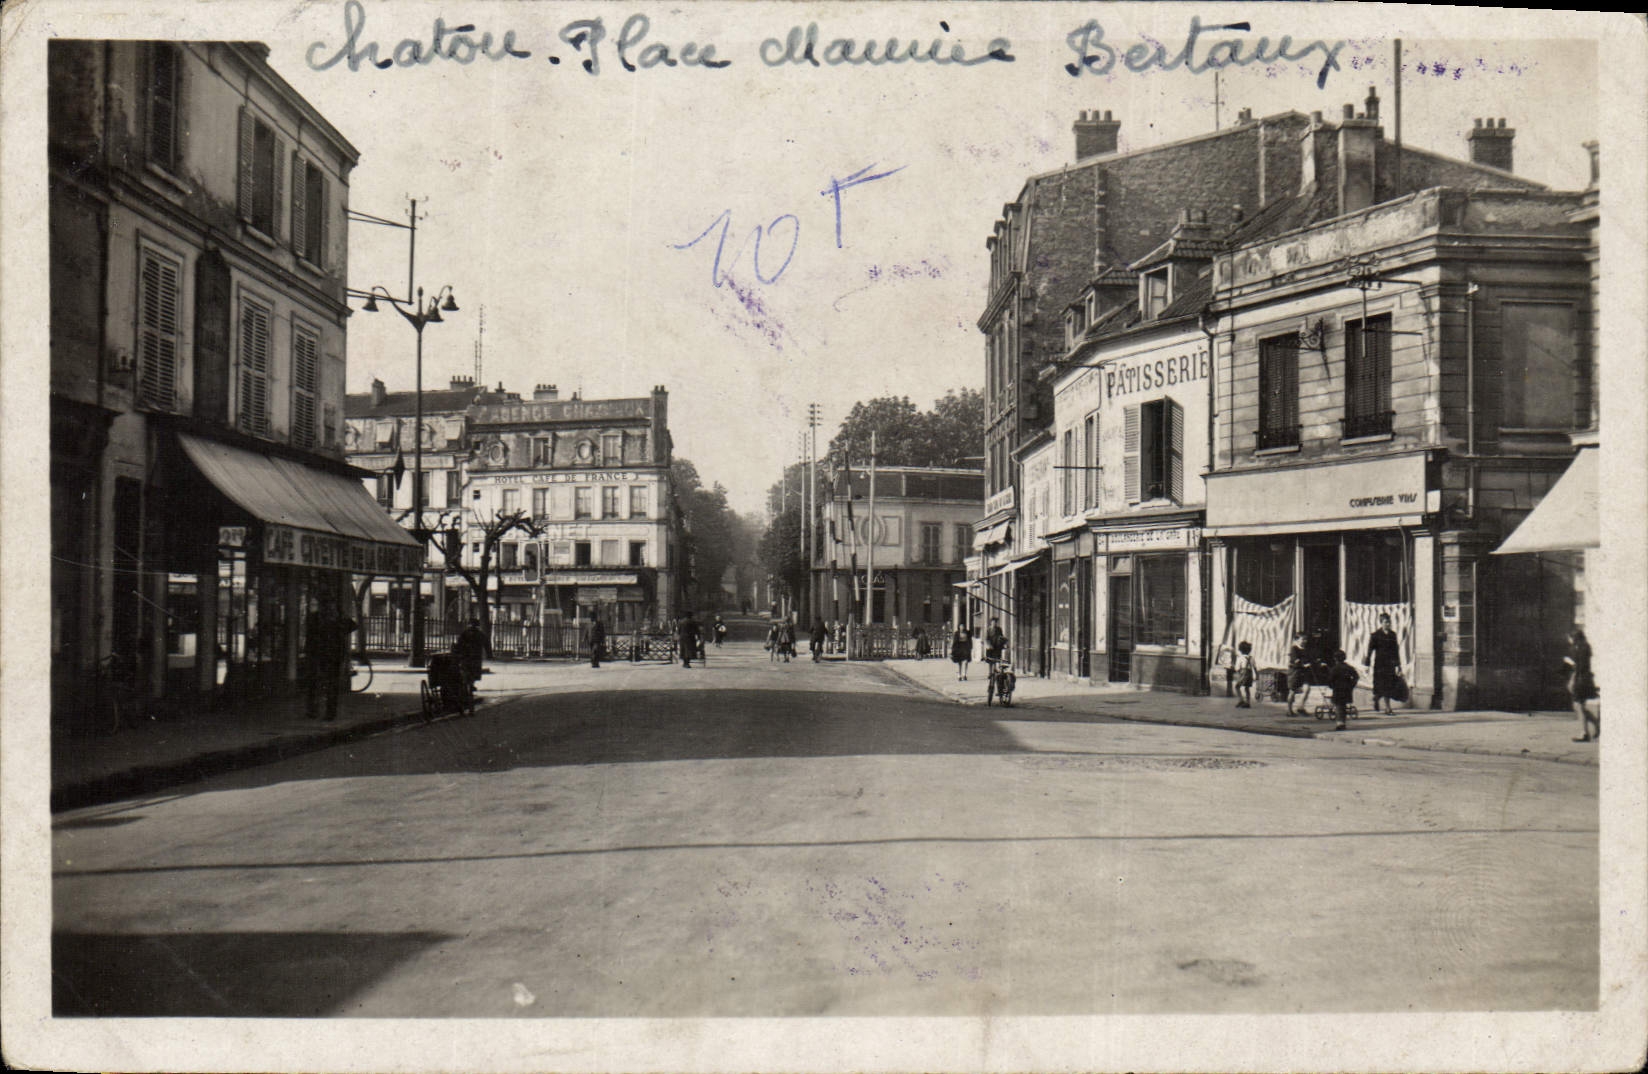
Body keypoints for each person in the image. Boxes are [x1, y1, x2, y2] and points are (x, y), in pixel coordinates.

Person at [304, 593, 356, 722]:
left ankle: (316, 710)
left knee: (318, 683)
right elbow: (352, 626)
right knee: (329, 684)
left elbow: (309, 637)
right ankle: (327, 711)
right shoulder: (335, 620)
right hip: (331, 655)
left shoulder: (316, 618)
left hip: (323, 655)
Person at [1565, 627, 1600, 742]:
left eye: (1570, 638)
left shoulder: (1577, 648)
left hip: (1580, 680)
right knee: (1580, 705)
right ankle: (1596, 725)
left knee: (1578, 706)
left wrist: (1572, 680)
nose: (1569, 640)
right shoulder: (1586, 647)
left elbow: (1578, 667)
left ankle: (1585, 733)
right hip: (1587, 679)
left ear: (1573, 638)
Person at [1366, 614, 1402, 714]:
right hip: (1379, 665)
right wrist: (1367, 664)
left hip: (1389, 664)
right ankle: (1376, 698)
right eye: (1386, 622)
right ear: (1381, 623)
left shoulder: (1393, 635)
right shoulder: (1375, 635)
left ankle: (1387, 707)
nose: (1388, 624)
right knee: (1380, 685)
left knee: (1388, 686)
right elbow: (1370, 650)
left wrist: (1398, 665)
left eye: (1389, 622)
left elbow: (1396, 651)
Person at [454, 617, 489, 695]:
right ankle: (470, 684)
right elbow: (486, 643)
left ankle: (467, 684)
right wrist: (488, 653)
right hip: (475, 656)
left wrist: (458, 651)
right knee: (474, 671)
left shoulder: (465, 633)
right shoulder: (479, 634)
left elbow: (459, 643)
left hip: (466, 655)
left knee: (467, 670)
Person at [1327, 648, 1360, 730]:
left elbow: (1330, 680)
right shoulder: (1349, 667)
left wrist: (1332, 686)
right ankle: (1343, 723)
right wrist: (1352, 685)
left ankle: (1340, 724)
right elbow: (1356, 677)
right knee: (1344, 706)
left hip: (1337, 689)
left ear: (1335, 659)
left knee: (1338, 706)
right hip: (1347, 689)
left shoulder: (1334, 669)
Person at [1285, 632, 1312, 715]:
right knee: (1292, 691)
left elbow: (1309, 659)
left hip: (1304, 672)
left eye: (1306, 639)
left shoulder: (1306, 650)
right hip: (1295, 672)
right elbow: (1296, 660)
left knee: (1307, 688)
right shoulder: (1294, 649)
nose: (1305, 641)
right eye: (1303, 639)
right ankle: (1289, 710)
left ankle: (1301, 707)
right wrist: (1303, 664)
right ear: (1296, 640)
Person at [1234, 640, 1256, 709]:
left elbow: (1237, 668)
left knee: (1237, 686)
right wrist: (1257, 675)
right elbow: (1254, 667)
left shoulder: (1240, 658)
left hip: (1243, 673)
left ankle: (1240, 700)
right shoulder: (1251, 658)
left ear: (1240, 650)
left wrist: (1237, 674)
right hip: (1250, 673)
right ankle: (1248, 702)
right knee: (1247, 688)